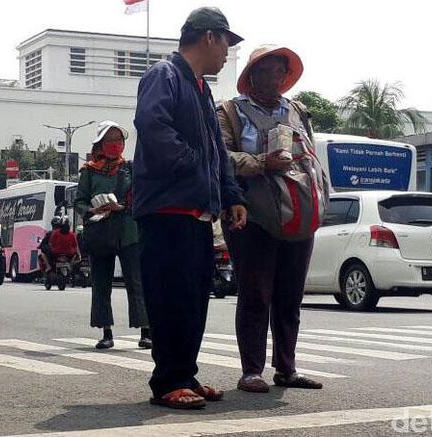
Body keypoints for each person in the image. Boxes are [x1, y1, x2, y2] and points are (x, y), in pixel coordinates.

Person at [133, 7, 247, 409]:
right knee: (170, 297)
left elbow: (217, 150)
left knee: (194, 297)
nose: (227, 54)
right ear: (209, 37)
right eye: (226, 44)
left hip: (197, 211)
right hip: (167, 210)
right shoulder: (163, 76)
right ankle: (167, 381)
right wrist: (195, 169)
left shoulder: (200, 87)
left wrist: (231, 195)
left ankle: (186, 373)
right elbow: (153, 127)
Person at [216, 45, 328, 393]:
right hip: (252, 215)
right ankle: (252, 369)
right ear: (253, 76)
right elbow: (222, 158)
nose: (277, 77)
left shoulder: (297, 111)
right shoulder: (230, 112)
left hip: (298, 214)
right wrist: (262, 162)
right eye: (269, 70)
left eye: (282, 70)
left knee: (290, 295)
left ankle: (287, 367)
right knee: (255, 293)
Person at [74, 120, 151, 350]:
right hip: (100, 231)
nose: (115, 145)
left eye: (119, 140)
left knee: (136, 282)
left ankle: (146, 332)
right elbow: (79, 201)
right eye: (110, 140)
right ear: (100, 144)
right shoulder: (88, 171)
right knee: (101, 284)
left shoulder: (130, 167)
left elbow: (141, 196)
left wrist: (123, 207)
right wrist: (91, 209)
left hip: (129, 232)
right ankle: (106, 332)